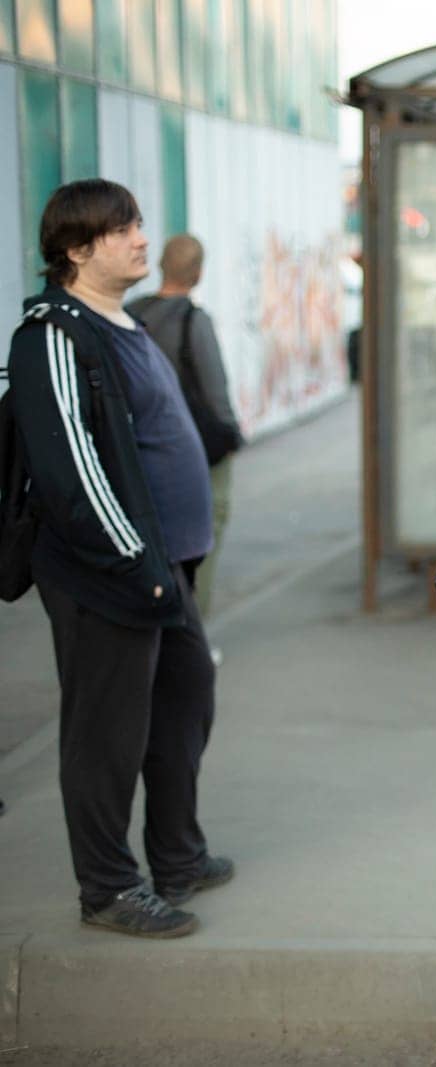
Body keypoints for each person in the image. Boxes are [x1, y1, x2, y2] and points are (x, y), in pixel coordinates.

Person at [6, 179, 233, 939]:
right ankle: (107, 887)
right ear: (75, 250)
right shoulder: (53, 336)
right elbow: (71, 472)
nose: (142, 236)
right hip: (107, 575)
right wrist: (136, 562)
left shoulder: (123, 322)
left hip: (160, 571)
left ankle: (177, 855)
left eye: (138, 221)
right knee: (105, 732)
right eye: (122, 228)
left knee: (183, 697)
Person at [127, 234, 245, 623]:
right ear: (197, 273)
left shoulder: (132, 314)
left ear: (160, 264)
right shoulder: (195, 320)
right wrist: (231, 435)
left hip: (141, 449)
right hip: (195, 450)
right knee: (206, 533)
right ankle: (192, 631)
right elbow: (216, 391)